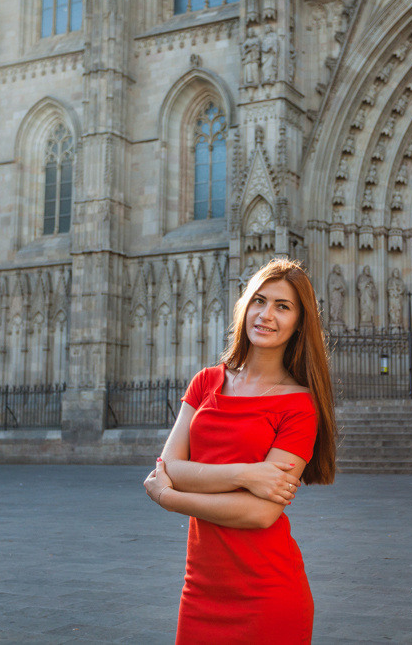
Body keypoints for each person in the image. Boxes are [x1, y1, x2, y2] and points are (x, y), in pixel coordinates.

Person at [143, 258, 336, 645]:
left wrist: (169, 497)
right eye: (259, 301)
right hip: (200, 589)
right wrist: (247, 475)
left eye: (283, 306)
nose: (266, 315)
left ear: (300, 323)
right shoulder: (207, 382)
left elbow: (260, 513)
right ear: (244, 306)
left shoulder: (300, 405)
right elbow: (171, 464)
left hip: (267, 594)